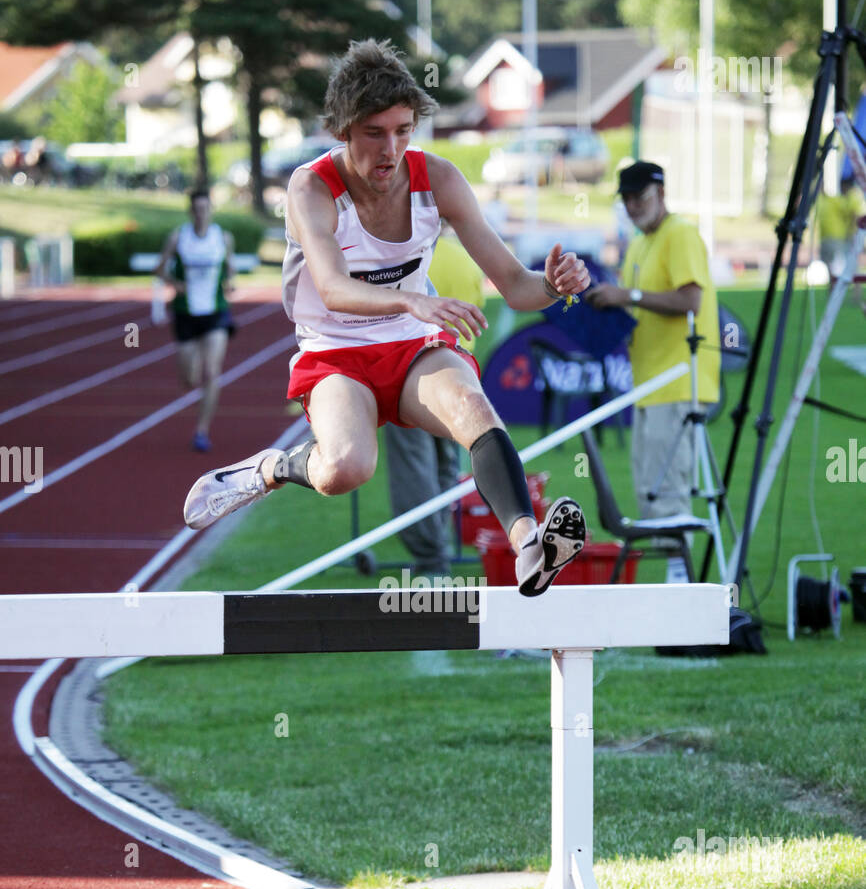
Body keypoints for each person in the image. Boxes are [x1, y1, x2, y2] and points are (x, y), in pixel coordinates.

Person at [183, 39, 591, 598]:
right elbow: (331, 287)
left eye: (403, 130)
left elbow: (517, 286)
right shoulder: (311, 187)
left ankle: (529, 546)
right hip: (334, 352)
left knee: (473, 408)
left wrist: (555, 285)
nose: (390, 149)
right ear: (341, 130)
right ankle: (274, 468)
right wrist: (411, 299)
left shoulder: (439, 179)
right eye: (374, 133)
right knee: (346, 469)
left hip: (411, 343)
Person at [583, 160, 719, 582]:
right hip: (650, 384)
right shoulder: (641, 243)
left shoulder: (679, 234)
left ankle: (679, 588)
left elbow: (690, 302)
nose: (632, 205)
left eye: (639, 196)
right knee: (649, 494)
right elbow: (640, 307)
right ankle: (672, 587)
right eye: (626, 198)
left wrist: (628, 295)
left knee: (669, 495)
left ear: (661, 193)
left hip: (678, 381)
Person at [384, 223, 485, 579]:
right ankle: (436, 543)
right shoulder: (465, 260)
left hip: (412, 374)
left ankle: (431, 557)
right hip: (459, 377)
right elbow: (478, 314)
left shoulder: (402, 259)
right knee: (444, 466)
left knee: (413, 468)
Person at [155, 188, 236, 453]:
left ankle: (202, 431)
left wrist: (230, 282)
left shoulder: (223, 237)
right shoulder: (178, 237)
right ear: (191, 211)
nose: (201, 214)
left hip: (215, 313)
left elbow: (230, 270)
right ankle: (192, 372)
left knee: (212, 372)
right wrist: (175, 284)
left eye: (205, 209)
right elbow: (159, 268)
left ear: (210, 210)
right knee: (189, 379)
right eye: (197, 209)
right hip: (185, 313)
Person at [817, 174, 861, 281]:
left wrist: (852, 232)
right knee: (837, 267)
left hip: (844, 237)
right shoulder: (827, 199)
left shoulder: (850, 197)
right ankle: (835, 293)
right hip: (832, 237)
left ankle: (854, 295)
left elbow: (853, 214)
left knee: (846, 266)